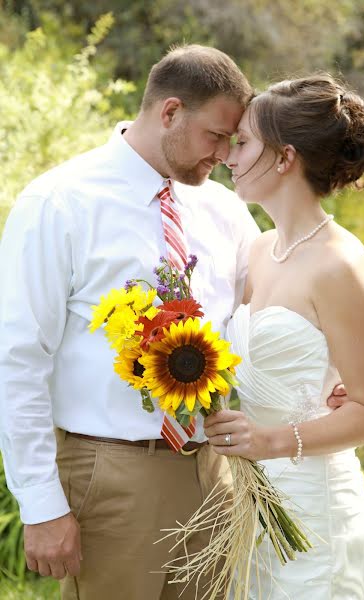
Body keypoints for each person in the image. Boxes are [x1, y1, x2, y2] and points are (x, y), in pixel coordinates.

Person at [0, 44, 258, 600]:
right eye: (215, 136)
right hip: (108, 473)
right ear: (169, 113)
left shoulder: (227, 211)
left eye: (232, 142)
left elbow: (253, 322)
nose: (223, 155)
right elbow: (18, 359)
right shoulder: (58, 202)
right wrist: (42, 505)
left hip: (214, 475)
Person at [204, 74, 364, 599]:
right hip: (253, 499)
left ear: (285, 158)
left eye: (242, 143)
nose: (228, 156)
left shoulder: (339, 264)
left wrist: (269, 441)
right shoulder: (260, 249)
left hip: (315, 505)